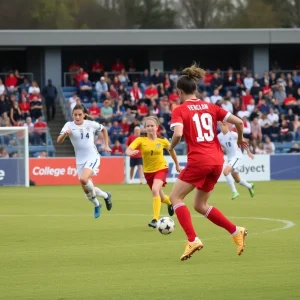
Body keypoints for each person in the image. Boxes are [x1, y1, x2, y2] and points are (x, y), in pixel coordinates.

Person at [169, 63, 249, 261]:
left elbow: (178, 134)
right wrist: (239, 138)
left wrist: (171, 147)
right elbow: (239, 122)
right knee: (200, 205)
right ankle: (235, 231)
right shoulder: (211, 107)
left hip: (199, 160)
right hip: (216, 160)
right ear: (195, 89)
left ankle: (192, 239)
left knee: (175, 198)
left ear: (179, 91)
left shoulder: (179, 110)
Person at [57, 104, 112, 218]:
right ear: (72, 115)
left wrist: (106, 145)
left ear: (84, 115)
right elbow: (59, 140)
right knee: (87, 191)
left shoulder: (90, 124)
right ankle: (102, 199)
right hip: (80, 161)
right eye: (75, 115)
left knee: (83, 178)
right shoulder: (69, 125)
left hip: (93, 156)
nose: (77, 117)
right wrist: (65, 135)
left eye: (79, 115)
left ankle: (101, 200)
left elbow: (104, 129)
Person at [125, 116, 181, 228]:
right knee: (159, 197)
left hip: (161, 168)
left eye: (152, 126)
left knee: (155, 189)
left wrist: (177, 164)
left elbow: (172, 151)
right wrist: (129, 152)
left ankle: (155, 219)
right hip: (148, 172)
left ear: (157, 127)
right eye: (147, 126)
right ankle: (170, 202)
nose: (150, 128)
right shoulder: (140, 140)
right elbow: (128, 149)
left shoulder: (162, 140)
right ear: (145, 128)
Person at [218, 121, 255, 200]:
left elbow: (243, 141)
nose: (222, 127)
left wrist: (248, 152)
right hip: (230, 158)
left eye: (223, 125)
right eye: (220, 125)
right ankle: (250, 186)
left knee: (225, 172)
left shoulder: (233, 134)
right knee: (237, 180)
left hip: (237, 157)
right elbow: (222, 148)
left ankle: (235, 191)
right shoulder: (219, 137)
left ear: (227, 125)